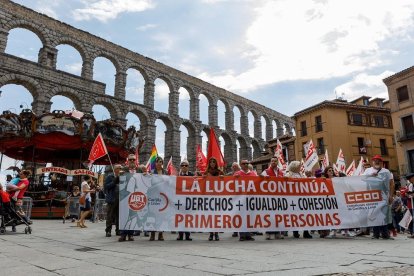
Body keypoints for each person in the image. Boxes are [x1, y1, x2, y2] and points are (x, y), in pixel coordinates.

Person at [363, 155, 394, 240]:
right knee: (374, 213)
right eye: (375, 160)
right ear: (372, 162)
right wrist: (370, 176)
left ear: (382, 162)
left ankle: (385, 233)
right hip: (372, 196)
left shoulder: (387, 172)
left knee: (384, 214)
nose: (377, 162)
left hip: (384, 196)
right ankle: (376, 234)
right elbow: (362, 180)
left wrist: (391, 195)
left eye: (379, 160)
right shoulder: (367, 171)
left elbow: (391, 184)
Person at [285, 161, 312, 239]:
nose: (300, 167)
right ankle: (295, 231)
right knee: (295, 215)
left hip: (302, 197)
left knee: (305, 215)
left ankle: (306, 232)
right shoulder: (288, 174)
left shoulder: (302, 175)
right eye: (298, 166)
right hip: (293, 198)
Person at [261, 157, 284, 240]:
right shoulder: (266, 172)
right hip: (269, 197)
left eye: (275, 161)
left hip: (279, 197)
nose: (273, 162)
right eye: (272, 161)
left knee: (278, 215)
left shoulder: (281, 172)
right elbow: (260, 181)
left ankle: (278, 232)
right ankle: (269, 232)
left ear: (277, 162)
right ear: (270, 162)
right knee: (269, 215)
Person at [234, 160, 256, 241]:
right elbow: (232, 183)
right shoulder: (237, 174)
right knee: (242, 216)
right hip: (241, 198)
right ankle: (242, 235)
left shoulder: (253, 173)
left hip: (250, 198)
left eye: (247, 163)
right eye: (244, 163)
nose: (246, 165)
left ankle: (248, 234)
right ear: (241, 165)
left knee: (249, 217)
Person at [204, 157, 224, 241]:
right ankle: (211, 233)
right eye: (211, 162)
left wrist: (223, 178)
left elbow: (225, 182)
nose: (212, 163)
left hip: (217, 196)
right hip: (209, 196)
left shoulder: (220, 172)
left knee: (217, 215)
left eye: (214, 162)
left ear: (216, 163)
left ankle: (216, 233)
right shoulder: (206, 172)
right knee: (210, 216)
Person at [149, 156, 166, 241]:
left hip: (163, 197)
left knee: (161, 216)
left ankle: (160, 234)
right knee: (153, 215)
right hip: (154, 197)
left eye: (161, 162)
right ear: (155, 163)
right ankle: (152, 234)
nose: (159, 163)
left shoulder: (165, 172)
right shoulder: (151, 172)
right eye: (157, 161)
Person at [177, 160, 193, 241]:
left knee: (188, 217)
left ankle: (188, 234)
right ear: (180, 167)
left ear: (188, 167)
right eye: (182, 165)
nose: (184, 166)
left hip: (189, 200)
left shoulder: (192, 175)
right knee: (180, 217)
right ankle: (180, 234)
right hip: (180, 199)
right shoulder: (177, 175)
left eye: (186, 165)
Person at [104, 164, 122, 238]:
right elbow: (106, 186)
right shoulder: (110, 176)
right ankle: (108, 230)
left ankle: (118, 230)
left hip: (120, 199)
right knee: (110, 216)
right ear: (115, 169)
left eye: (121, 168)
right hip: (112, 199)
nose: (120, 169)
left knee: (118, 216)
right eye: (119, 168)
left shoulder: (123, 177)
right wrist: (115, 181)